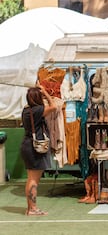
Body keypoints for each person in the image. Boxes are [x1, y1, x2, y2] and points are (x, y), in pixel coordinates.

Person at [20, 82, 56, 216]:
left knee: (30, 179)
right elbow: (53, 106)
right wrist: (46, 92)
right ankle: (33, 209)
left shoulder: (26, 110)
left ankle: (30, 208)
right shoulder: (38, 110)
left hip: (27, 144)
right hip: (35, 147)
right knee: (34, 180)